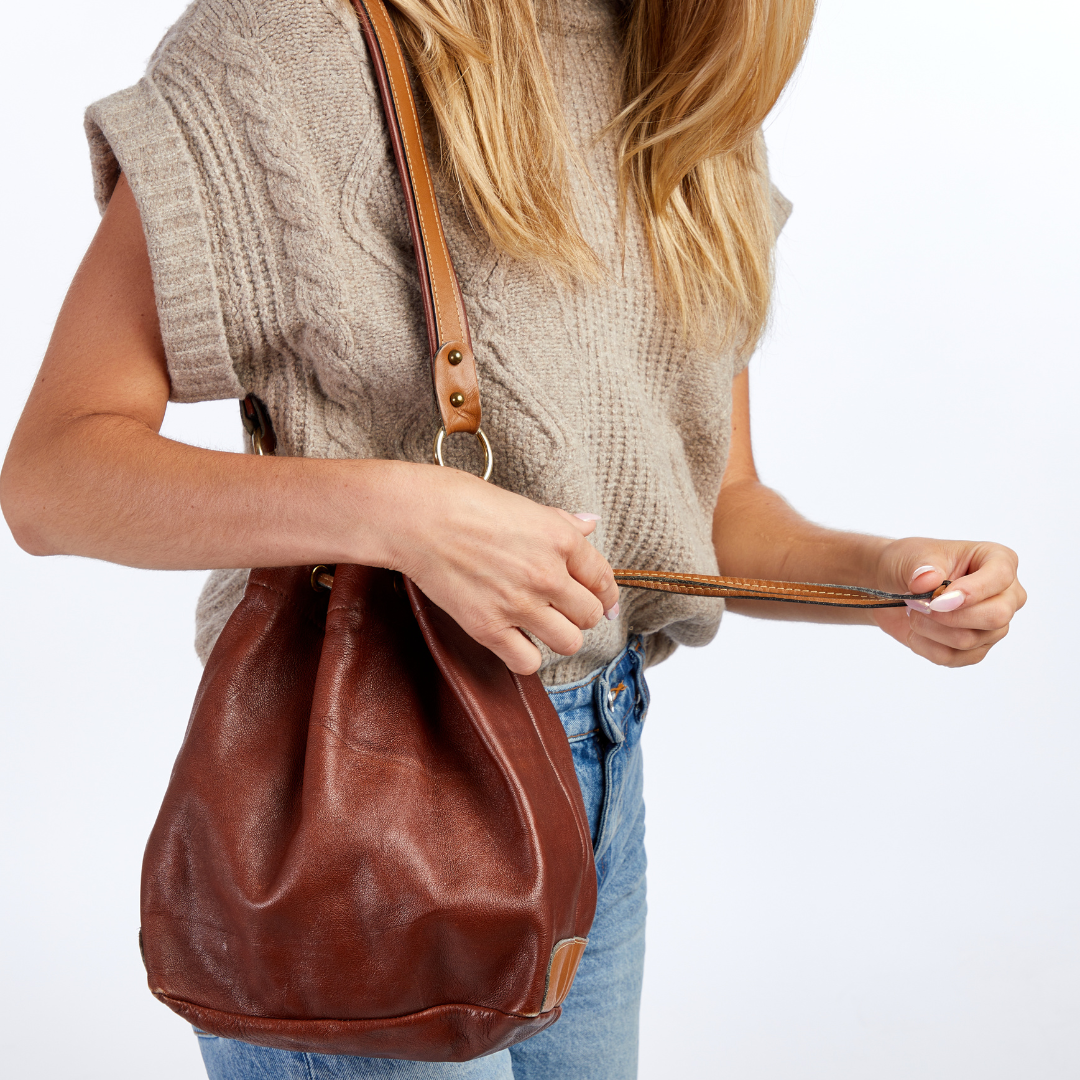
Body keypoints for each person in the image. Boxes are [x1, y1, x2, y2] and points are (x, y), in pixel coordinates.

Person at [0, 0, 1025, 1076]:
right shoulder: (289, 44)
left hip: (601, 774)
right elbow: (54, 477)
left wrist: (884, 578)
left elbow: (710, 509)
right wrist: (396, 511)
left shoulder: (686, 74)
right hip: (368, 791)